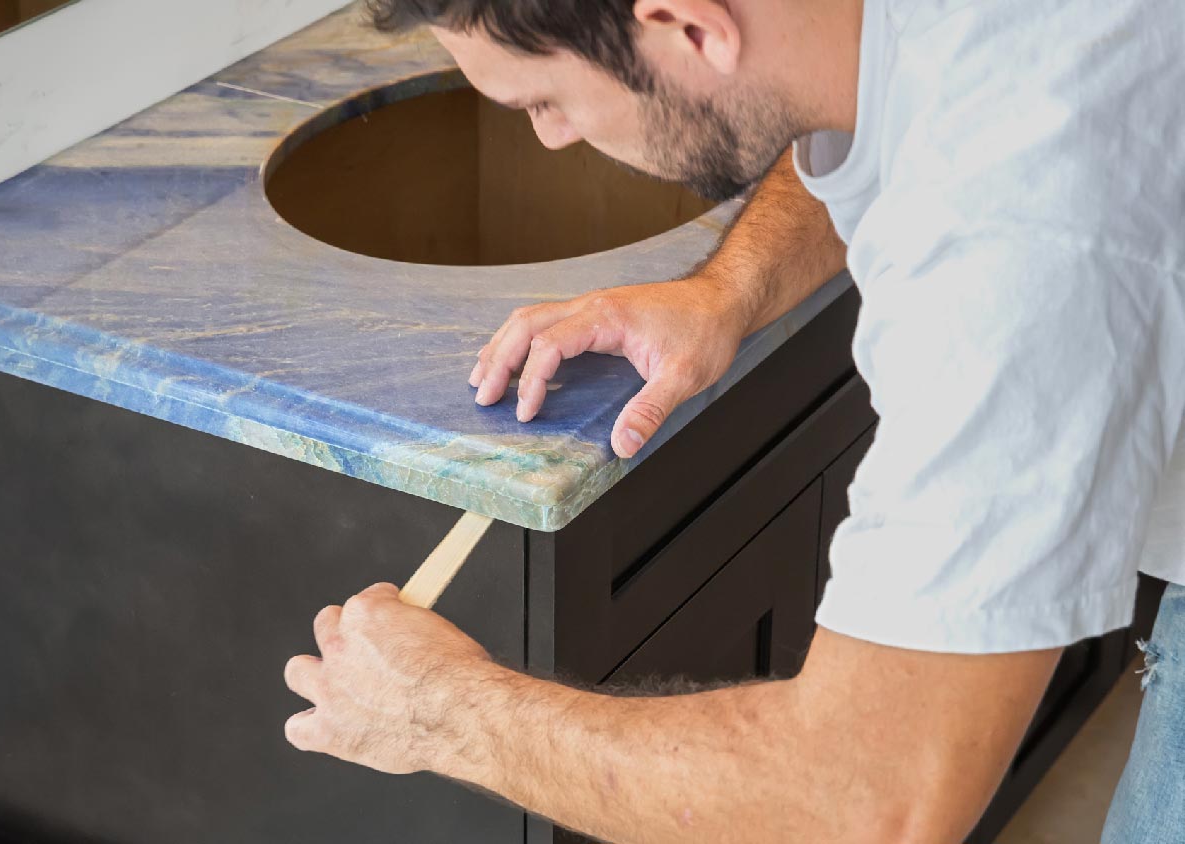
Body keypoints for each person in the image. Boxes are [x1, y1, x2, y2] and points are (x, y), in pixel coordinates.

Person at [282, 0, 1185, 839]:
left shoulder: (1014, 235)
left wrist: (442, 710)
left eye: (543, 101)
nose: (551, 138)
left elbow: (872, 795)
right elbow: (841, 87)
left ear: (687, 24)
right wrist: (726, 291)